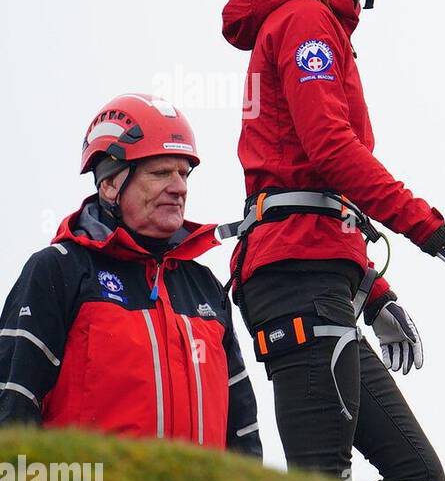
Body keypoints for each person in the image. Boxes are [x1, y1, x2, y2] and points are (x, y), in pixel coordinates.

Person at [221, 0, 445, 481]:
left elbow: (310, 179)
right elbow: (332, 154)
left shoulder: (319, 21)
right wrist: (438, 235)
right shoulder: (307, 21)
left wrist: (372, 292)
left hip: (319, 273)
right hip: (295, 280)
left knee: (417, 476)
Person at [0, 94, 261, 457]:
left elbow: (243, 429)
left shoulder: (204, 287)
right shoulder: (57, 269)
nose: (179, 187)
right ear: (109, 184)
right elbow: (12, 405)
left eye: (183, 173)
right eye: (160, 173)